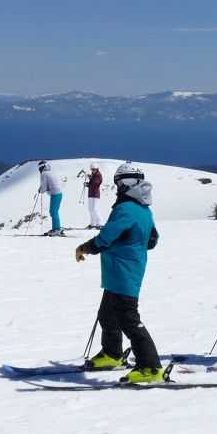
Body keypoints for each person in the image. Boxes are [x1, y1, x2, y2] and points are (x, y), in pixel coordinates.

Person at [75, 163, 163, 383]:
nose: (116, 188)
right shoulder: (143, 208)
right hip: (120, 271)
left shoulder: (125, 208)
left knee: (128, 319)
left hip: (124, 272)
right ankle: (112, 354)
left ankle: (151, 366)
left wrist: (85, 247)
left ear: (125, 183)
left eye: (118, 183)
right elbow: (152, 240)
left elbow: (105, 238)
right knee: (107, 314)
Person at [37, 161, 63, 236]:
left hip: (55, 194)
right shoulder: (49, 172)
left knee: (53, 211)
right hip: (59, 193)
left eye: (40, 167)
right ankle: (56, 228)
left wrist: (40, 190)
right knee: (54, 211)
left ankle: (56, 229)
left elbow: (44, 187)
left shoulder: (43, 174)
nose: (39, 169)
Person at [85, 163, 103, 229]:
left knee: (95, 209)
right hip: (90, 193)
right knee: (90, 209)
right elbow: (91, 184)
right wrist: (87, 184)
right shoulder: (93, 175)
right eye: (91, 169)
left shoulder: (98, 175)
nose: (92, 170)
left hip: (95, 194)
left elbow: (97, 183)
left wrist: (91, 179)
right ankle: (93, 224)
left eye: (94, 169)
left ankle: (100, 224)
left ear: (97, 169)